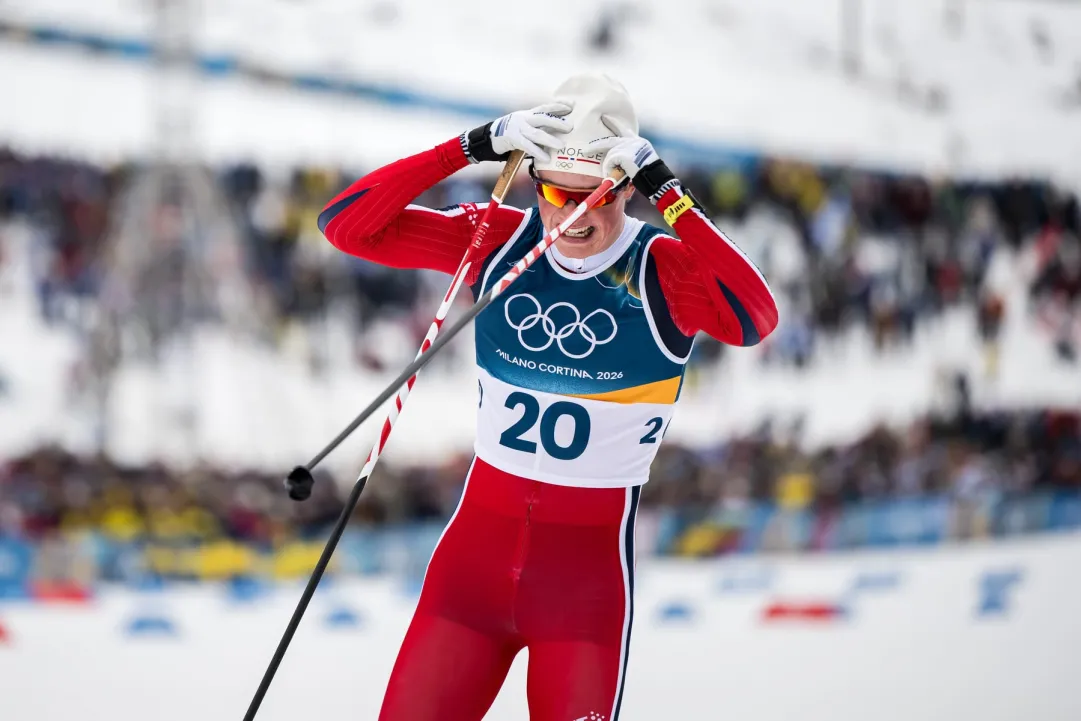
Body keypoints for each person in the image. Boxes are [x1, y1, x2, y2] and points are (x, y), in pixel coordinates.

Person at [318, 74, 778, 721]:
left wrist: (669, 193)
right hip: (467, 582)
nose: (572, 217)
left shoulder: (662, 271)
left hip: (581, 599)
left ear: (624, 187)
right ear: (535, 181)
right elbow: (345, 226)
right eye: (558, 194)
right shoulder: (496, 240)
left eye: (594, 197)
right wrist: (467, 147)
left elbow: (754, 315)